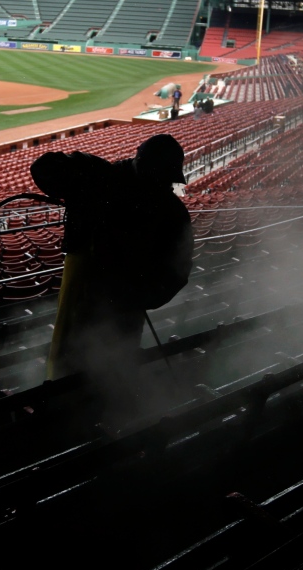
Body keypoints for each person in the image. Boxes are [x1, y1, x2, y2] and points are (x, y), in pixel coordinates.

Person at [30, 134, 194, 423]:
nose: (164, 185)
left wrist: (142, 296)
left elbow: (177, 272)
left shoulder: (171, 211)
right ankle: (65, 412)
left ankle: (100, 413)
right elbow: (45, 169)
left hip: (124, 301)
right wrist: (78, 177)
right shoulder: (100, 176)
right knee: (72, 357)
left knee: (112, 362)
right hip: (95, 292)